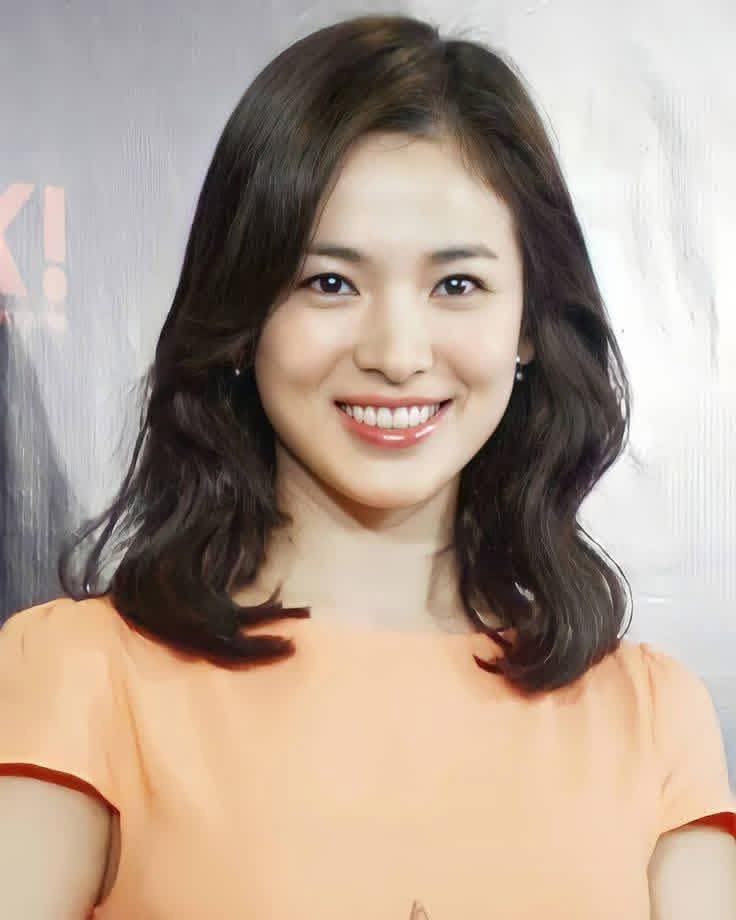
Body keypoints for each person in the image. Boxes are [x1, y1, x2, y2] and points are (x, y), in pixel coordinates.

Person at [0, 12, 734, 919]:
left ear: (530, 328)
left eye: (456, 285)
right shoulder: (83, 678)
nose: (396, 352)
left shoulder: (652, 718)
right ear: (245, 318)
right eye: (330, 283)